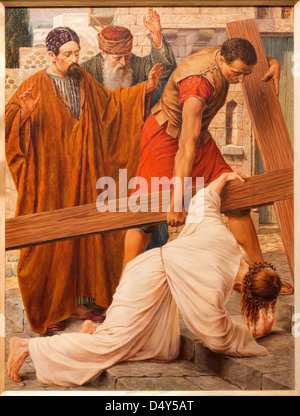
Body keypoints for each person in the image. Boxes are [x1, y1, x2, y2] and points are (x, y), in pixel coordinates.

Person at [7, 171, 282, 386]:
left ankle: (97, 328)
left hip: (152, 277)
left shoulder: (225, 241)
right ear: (247, 295)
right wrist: (251, 333)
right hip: (147, 279)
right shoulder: (215, 284)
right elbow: (217, 335)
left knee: (161, 347)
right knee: (113, 346)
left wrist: (221, 180)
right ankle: (28, 346)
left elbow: (204, 203)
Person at [5, 26, 163, 334]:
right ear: (51, 56)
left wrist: (144, 89)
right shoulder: (33, 84)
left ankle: (81, 304)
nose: (75, 59)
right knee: (52, 242)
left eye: (77, 53)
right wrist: (24, 115)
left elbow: (112, 106)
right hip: (51, 180)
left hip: (87, 175)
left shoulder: (84, 80)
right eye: (68, 54)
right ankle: (52, 309)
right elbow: (12, 129)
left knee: (87, 239)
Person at [121, 37, 293, 294]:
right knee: (146, 212)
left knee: (236, 197)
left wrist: (274, 62)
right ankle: (125, 283)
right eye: (237, 73)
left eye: (245, 73)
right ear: (222, 60)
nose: (241, 79)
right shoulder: (197, 86)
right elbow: (186, 146)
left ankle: (261, 272)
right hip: (167, 139)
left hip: (195, 137)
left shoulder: (228, 54)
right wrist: (177, 201)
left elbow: (249, 61)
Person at [81, 8, 177, 253]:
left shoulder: (139, 64)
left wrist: (156, 35)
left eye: (127, 55)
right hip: (103, 158)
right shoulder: (88, 72)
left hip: (139, 155)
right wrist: (142, 90)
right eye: (117, 59)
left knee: (146, 215)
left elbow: (165, 72)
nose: (124, 63)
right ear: (103, 54)